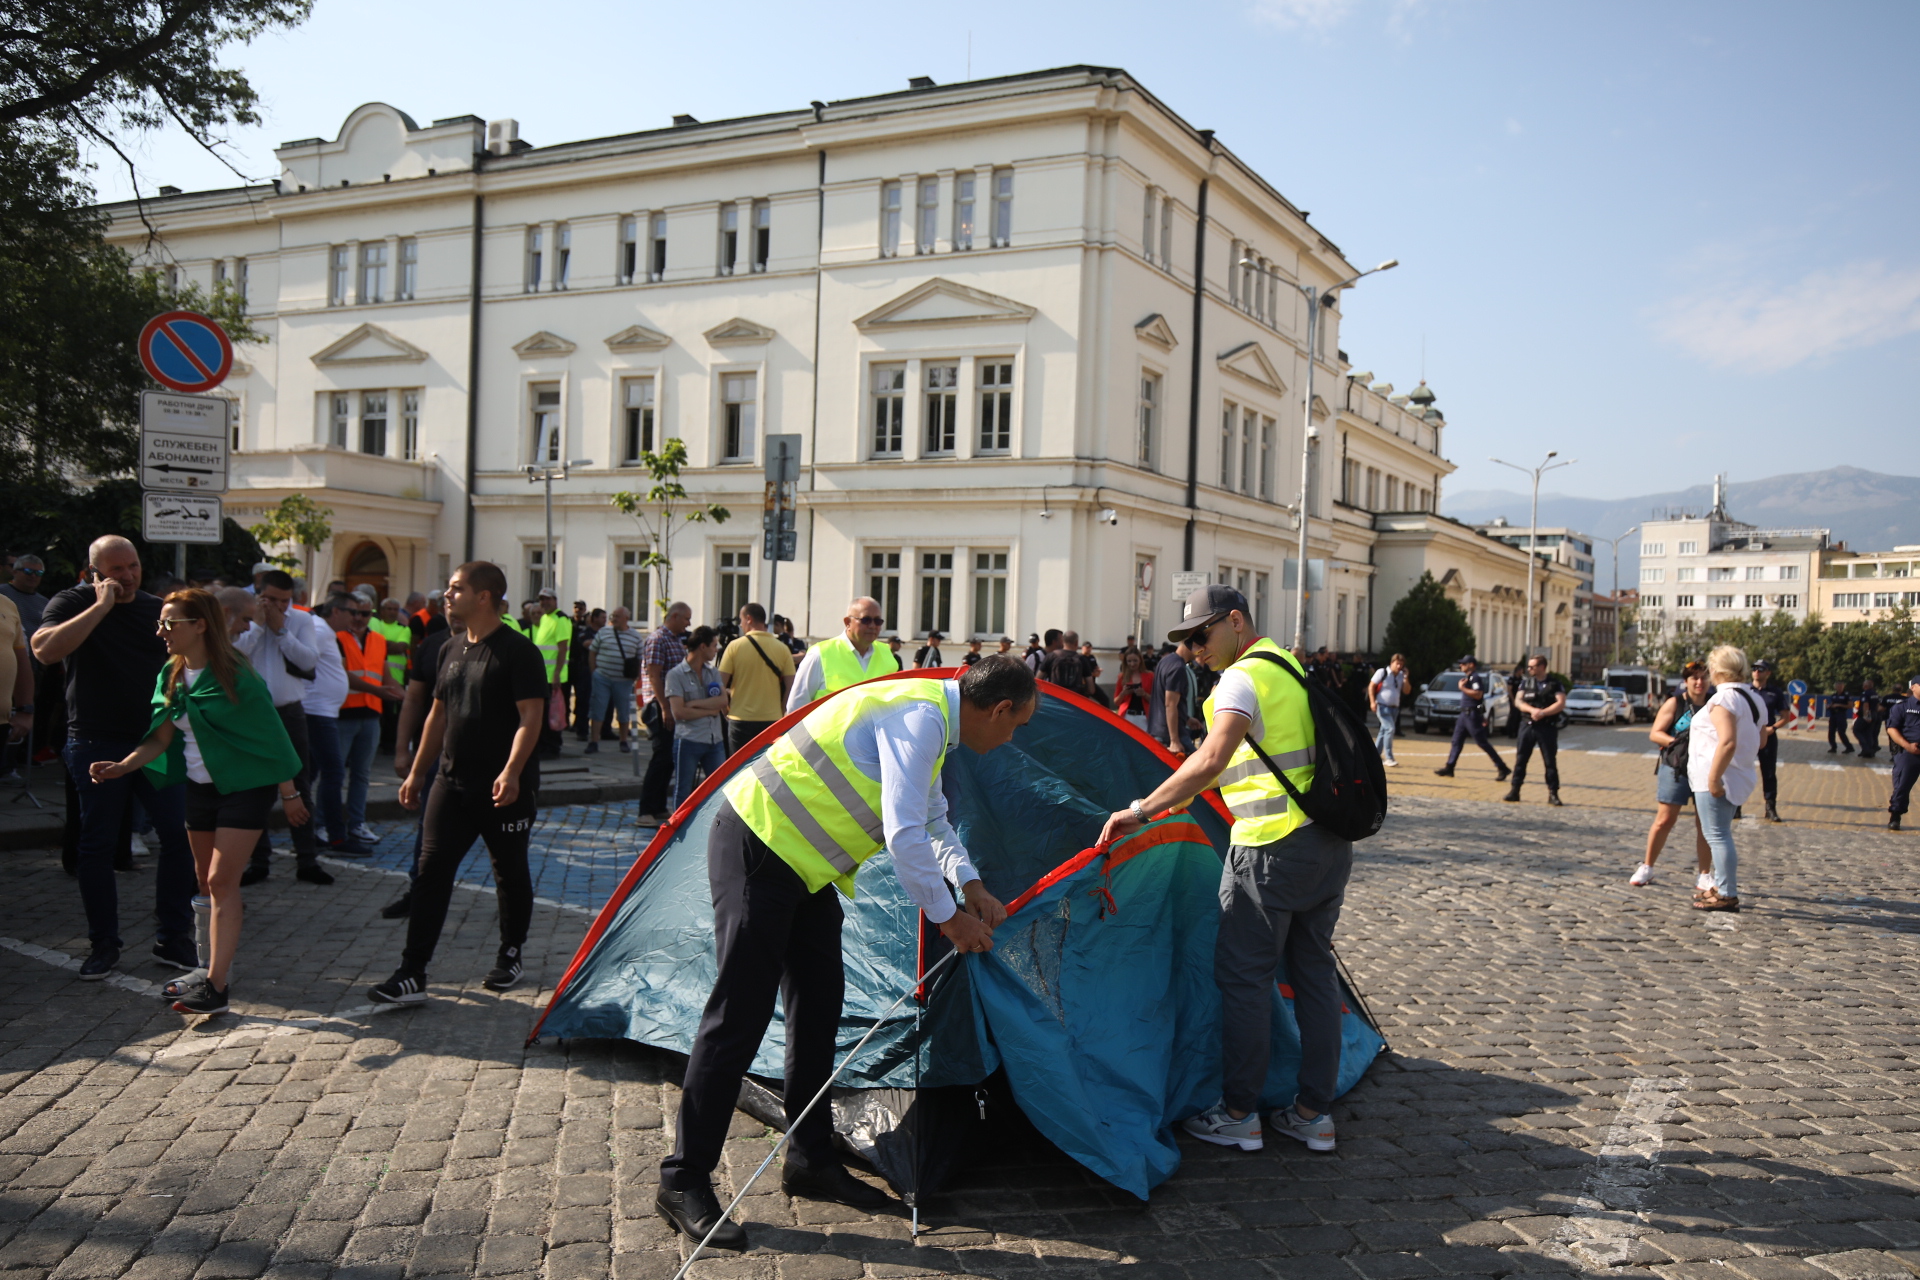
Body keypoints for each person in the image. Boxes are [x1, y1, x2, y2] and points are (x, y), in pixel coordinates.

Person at [655, 657, 1032, 1249]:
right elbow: (905, 831)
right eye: (1015, 727)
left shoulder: (933, 718)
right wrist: (949, 919)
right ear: (999, 709)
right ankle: (683, 1178)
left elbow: (933, 815)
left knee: (820, 1004)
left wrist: (971, 883)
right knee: (739, 1015)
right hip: (758, 844)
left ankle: (809, 1159)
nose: (1011, 740)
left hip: (804, 869)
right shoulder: (918, 716)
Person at [1099, 586, 1346, 1156]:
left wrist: (1139, 811)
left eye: (1201, 635)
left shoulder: (1240, 678)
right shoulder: (1288, 664)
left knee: (1244, 980)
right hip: (1326, 845)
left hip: (1269, 850)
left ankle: (1238, 1114)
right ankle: (1313, 1113)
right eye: (1185, 640)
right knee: (1313, 972)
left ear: (1236, 622)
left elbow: (1211, 758)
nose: (1193, 649)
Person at [90, 589, 308, 1016]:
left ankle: (217, 985)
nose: (161, 631)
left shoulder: (237, 675)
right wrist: (123, 766)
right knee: (204, 882)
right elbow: (161, 735)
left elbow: (271, 737)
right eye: (161, 623)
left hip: (246, 787)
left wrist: (290, 793)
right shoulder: (171, 674)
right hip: (201, 788)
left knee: (223, 880)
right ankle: (206, 969)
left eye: (170, 623)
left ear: (200, 625)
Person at [369, 562, 547, 1004]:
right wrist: (415, 770)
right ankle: (413, 972)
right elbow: (438, 715)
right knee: (430, 871)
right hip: (450, 783)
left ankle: (510, 954)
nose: (446, 596)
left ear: (483, 596)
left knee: (509, 872)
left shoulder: (519, 651)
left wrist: (511, 771)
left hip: (504, 788)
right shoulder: (448, 648)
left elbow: (531, 718)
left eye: (456, 588)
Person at [33, 536, 196, 979]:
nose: (126, 577)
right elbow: (45, 649)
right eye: (115, 571)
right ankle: (103, 943)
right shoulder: (73, 602)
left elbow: (192, 658)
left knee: (180, 838)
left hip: (155, 740)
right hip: (95, 740)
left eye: (133, 567)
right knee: (98, 844)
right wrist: (101, 607)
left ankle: (173, 937)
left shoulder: (154, 610)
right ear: (93, 574)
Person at [232, 570, 329, 886]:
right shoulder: (246, 618)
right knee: (252, 787)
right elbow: (232, 656)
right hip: (251, 714)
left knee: (299, 784)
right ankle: (259, 861)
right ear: (259, 593)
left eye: (285, 601)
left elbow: (308, 661)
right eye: (271, 599)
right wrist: (259, 626)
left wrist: (281, 630)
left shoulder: (299, 620)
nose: (278, 606)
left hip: (289, 712)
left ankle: (307, 860)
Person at [379, 609, 462, 919]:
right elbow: (414, 700)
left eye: (459, 593)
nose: (452, 605)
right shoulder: (432, 646)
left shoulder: (504, 646)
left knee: (500, 843)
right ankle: (420, 894)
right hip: (435, 756)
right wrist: (403, 751)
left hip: (482, 758)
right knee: (428, 828)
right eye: (448, 599)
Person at [1691, 645, 1765, 913]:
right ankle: (1722, 887)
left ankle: (1727, 892)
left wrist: (1714, 778)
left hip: (1718, 776)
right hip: (1737, 773)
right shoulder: (1753, 698)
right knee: (1720, 834)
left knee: (1717, 836)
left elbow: (1728, 742)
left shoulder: (1723, 699)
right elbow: (1761, 738)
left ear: (1716, 671)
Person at [1632, 662, 1714, 889]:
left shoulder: (1714, 705)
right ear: (1686, 681)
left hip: (1706, 769)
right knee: (1665, 819)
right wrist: (1676, 742)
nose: (1699, 682)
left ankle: (1705, 874)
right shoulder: (1675, 703)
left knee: (1705, 824)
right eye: (1694, 678)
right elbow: (1655, 733)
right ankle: (1647, 866)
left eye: (1704, 678)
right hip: (1675, 767)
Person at [331, 594, 403, 846]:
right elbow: (342, 675)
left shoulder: (378, 640)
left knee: (362, 775)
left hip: (371, 715)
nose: (360, 618)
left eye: (365, 614)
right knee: (335, 774)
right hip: (343, 713)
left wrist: (404, 693)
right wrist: (379, 691)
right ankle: (325, 825)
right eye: (355, 613)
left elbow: (385, 675)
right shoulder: (337, 637)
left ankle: (357, 823)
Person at [785, 597, 900, 711]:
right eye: (866, 620)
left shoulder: (887, 654)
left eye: (878, 621)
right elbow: (796, 707)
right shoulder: (820, 654)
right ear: (847, 622)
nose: (872, 626)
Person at [638, 602, 692, 827]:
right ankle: (645, 810)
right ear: (675, 616)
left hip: (671, 705)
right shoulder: (658, 639)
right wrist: (663, 706)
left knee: (670, 756)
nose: (689, 623)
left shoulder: (676, 640)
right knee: (661, 757)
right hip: (659, 705)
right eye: (686, 619)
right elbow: (654, 675)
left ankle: (658, 806)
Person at [717, 603, 793, 757]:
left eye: (741, 620)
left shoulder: (734, 647)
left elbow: (719, 684)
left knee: (739, 772)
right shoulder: (782, 649)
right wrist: (781, 709)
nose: (740, 624)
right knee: (768, 768)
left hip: (740, 719)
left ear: (749, 619)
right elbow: (791, 686)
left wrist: (725, 710)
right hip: (772, 720)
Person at [666, 626, 728, 808]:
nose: (716, 650)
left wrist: (694, 704)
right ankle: (678, 833)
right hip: (689, 740)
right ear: (703, 646)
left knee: (719, 788)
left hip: (714, 740)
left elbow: (723, 701)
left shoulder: (712, 672)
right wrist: (709, 710)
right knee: (684, 790)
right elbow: (679, 712)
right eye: (714, 645)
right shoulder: (675, 675)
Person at [1433, 655, 1509, 781]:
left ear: (1471, 665)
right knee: (1456, 741)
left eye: (1463, 663)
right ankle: (1450, 767)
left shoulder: (1475, 678)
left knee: (1482, 742)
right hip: (1464, 714)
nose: (1461, 665)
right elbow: (1481, 700)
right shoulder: (1468, 678)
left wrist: (1462, 688)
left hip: (1471, 715)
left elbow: (1478, 695)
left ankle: (1502, 767)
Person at [1505, 655, 1568, 806]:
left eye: (1532, 667)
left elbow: (1561, 703)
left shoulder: (1555, 684)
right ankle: (1515, 790)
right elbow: (1519, 702)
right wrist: (1533, 710)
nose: (1529, 669)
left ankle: (1553, 793)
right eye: (1529, 667)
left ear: (1542, 667)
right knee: (1521, 759)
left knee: (1549, 761)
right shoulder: (1526, 683)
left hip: (1546, 726)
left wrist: (1543, 713)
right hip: (1527, 725)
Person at [585, 606, 639, 755]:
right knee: (597, 709)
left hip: (624, 680)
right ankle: (594, 741)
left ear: (626, 619)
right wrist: (594, 672)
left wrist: (636, 676)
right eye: (612, 616)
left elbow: (640, 658)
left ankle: (623, 741)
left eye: (617, 616)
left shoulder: (635, 636)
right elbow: (593, 652)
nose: (613, 619)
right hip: (602, 677)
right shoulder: (603, 632)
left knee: (623, 711)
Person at [529, 588, 573, 758]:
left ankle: (552, 748)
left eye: (547, 599)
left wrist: (557, 673)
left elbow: (563, 648)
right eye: (541, 600)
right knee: (543, 714)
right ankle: (543, 746)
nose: (544, 603)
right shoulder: (546, 618)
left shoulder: (561, 619)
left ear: (555, 600)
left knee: (552, 714)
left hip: (554, 676)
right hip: (543, 674)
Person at [1749, 660, 1792, 823]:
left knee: (1769, 773)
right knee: (1741, 769)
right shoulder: (1746, 690)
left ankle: (1770, 807)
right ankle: (1736, 806)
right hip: (1747, 736)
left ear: (1768, 673)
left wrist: (1772, 728)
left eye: (1761, 669)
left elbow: (1786, 716)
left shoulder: (1775, 692)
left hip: (1767, 735)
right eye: (1754, 669)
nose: (1757, 672)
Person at [371, 598, 413, 751]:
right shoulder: (375, 625)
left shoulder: (404, 629)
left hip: (396, 678)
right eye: (389, 609)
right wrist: (387, 644)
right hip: (375, 677)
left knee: (392, 715)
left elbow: (399, 647)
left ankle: (389, 745)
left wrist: (380, 643)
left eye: (395, 609)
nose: (392, 612)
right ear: (382, 610)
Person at [1150, 639, 1201, 754]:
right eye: (1201, 646)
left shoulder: (1165, 661)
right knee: (1198, 768)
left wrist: (1186, 718)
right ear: (1193, 644)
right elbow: (1170, 704)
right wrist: (1174, 740)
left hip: (1159, 731)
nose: (1202, 651)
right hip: (1170, 736)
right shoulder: (1178, 668)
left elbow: (1165, 699)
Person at [1885, 674, 1920, 832]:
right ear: (1913, 687)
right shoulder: (1902, 707)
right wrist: (1907, 746)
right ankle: (1896, 815)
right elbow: (1892, 729)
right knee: (1902, 784)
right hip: (1909, 751)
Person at [1367, 654, 1410, 767]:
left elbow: (1407, 691)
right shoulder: (1382, 672)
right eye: (1397, 663)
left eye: (1401, 664)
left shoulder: (1401, 675)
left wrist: (1406, 677)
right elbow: (1371, 686)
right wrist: (1372, 702)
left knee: (1384, 731)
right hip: (1382, 706)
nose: (1399, 666)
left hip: (1394, 708)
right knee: (1390, 729)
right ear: (1392, 663)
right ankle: (1389, 757)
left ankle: (1374, 756)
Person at [1111, 648, 1154, 729]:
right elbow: (1116, 702)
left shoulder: (1150, 676)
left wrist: (1144, 694)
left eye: (1135, 661)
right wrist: (1123, 693)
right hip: (1126, 717)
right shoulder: (1122, 677)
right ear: (1125, 662)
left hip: (1144, 718)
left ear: (1140, 660)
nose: (1132, 664)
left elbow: (1156, 701)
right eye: (1129, 661)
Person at [1854, 678, 1883, 759]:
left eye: (1864, 684)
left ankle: (1866, 748)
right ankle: (1869, 752)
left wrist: (1866, 716)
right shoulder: (1875, 694)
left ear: (1866, 686)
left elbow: (1866, 705)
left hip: (1867, 714)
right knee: (1868, 733)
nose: (1863, 686)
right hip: (1875, 714)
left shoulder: (1865, 693)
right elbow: (1878, 705)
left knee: (1856, 730)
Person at [1827, 682, 1853, 754]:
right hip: (1833, 715)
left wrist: (1839, 705)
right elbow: (1832, 703)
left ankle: (1849, 747)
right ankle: (1833, 747)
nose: (1839, 688)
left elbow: (1850, 706)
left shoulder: (1846, 695)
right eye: (1838, 687)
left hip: (1841, 715)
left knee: (1841, 732)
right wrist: (1829, 706)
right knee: (1831, 731)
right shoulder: (1834, 695)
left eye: (1841, 687)